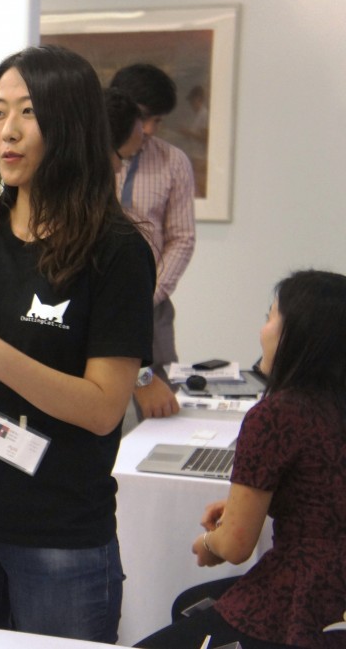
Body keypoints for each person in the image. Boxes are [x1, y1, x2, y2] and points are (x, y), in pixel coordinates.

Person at [0, 45, 156, 648]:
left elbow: (102, 408)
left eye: (28, 113)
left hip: (58, 530)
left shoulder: (117, 252)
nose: (7, 131)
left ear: (69, 125)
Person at [135, 270, 346, 649]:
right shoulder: (333, 406)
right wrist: (246, 505)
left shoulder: (275, 416)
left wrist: (209, 542)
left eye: (269, 316)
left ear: (296, 336)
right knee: (188, 605)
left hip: (306, 598)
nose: (262, 329)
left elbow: (235, 546)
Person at [110, 63, 196, 420]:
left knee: (160, 405)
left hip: (151, 304)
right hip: (93, 298)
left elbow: (182, 238)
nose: (148, 129)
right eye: (142, 117)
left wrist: (148, 295)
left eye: (156, 120)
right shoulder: (81, 160)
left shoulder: (172, 161)